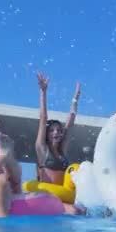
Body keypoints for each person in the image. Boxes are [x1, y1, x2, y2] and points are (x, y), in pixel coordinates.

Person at [35, 72, 85, 215]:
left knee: (86, 211)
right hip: (47, 198)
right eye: (52, 131)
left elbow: (70, 123)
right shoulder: (42, 149)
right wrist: (43, 92)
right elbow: (43, 118)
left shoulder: (62, 151)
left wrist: (75, 98)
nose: (56, 133)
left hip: (63, 196)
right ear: (46, 134)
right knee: (74, 212)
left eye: (58, 130)